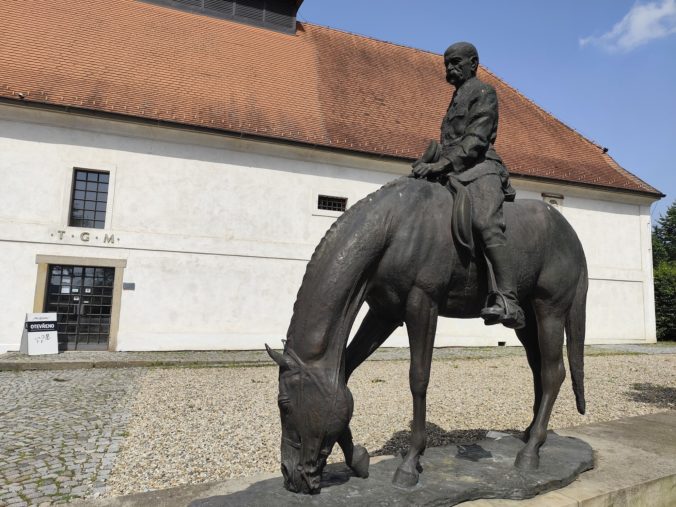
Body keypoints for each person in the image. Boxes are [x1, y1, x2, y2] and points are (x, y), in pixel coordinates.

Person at [412, 41, 525, 329]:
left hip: (480, 167)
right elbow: (449, 143)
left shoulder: (484, 92)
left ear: (473, 63)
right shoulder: (454, 100)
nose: (450, 68)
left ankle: (508, 299)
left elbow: (475, 140)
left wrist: (443, 164)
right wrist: (430, 159)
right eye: (447, 63)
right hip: (452, 170)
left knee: (486, 222)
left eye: (456, 62)